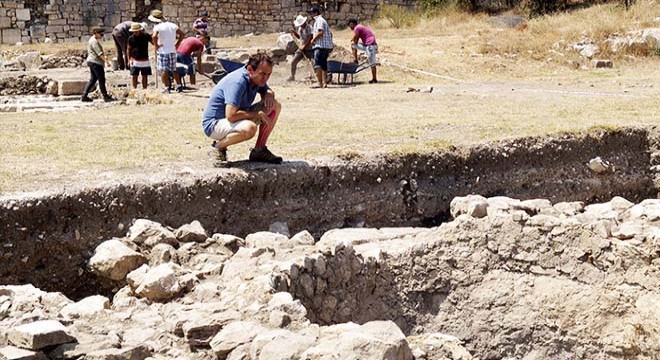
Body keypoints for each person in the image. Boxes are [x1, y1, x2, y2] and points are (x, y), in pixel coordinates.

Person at [202, 53, 283, 166]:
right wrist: (257, 114)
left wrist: (269, 94)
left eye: (269, 74)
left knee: (275, 105)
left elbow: (268, 90)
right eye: (263, 74)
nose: (266, 78)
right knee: (250, 128)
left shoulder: (256, 77)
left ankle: (259, 150)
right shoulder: (238, 82)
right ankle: (217, 148)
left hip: (234, 118)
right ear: (250, 69)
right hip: (214, 124)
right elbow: (231, 115)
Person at [149, 9, 185, 93]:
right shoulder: (172, 25)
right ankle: (179, 86)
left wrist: (156, 45)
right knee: (174, 69)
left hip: (163, 51)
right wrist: (177, 44)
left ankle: (166, 87)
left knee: (163, 70)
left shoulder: (157, 27)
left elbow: (154, 36)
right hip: (172, 50)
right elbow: (182, 34)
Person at [81, 26, 115, 103]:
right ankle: (105, 96)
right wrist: (106, 61)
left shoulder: (92, 40)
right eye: (101, 34)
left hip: (92, 61)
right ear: (96, 33)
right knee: (101, 79)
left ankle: (84, 95)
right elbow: (99, 54)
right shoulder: (94, 42)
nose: (102, 36)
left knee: (93, 80)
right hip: (95, 62)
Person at [308, 5, 333, 88]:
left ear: (315, 13)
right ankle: (324, 83)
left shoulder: (319, 20)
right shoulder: (322, 20)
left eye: (311, 13)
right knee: (323, 64)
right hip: (326, 46)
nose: (310, 15)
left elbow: (320, 33)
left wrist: (313, 40)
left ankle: (319, 82)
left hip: (320, 45)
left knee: (318, 64)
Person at [347, 19, 378, 83]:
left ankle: (374, 79)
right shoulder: (359, 27)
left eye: (350, 25)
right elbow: (356, 39)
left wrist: (352, 39)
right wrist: (353, 40)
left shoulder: (357, 28)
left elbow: (356, 38)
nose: (350, 27)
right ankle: (355, 60)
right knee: (353, 45)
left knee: (372, 63)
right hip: (367, 45)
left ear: (352, 24)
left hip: (370, 46)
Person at [288, 15, 314, 82]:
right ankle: (292, 76)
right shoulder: (300, 28)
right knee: (293, 62)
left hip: (309, 48)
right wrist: (294, 33)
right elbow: (300, 37)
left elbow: (310, 38)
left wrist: (304, 47)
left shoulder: (309, 27)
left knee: (312, 62)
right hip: (301, 47)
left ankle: (314, 76)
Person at [126, 22, 152, 89]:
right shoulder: (130, 38)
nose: (135, 33)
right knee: (134, 76)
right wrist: (128, 60)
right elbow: (128, 49)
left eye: (136, 31)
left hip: (145, 59)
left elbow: (153, 42)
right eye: (134, 31)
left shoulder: (146, 36)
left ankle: (145, 89)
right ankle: (134, 89)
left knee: (145, 76)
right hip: (135, 60)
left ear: (140, 30)